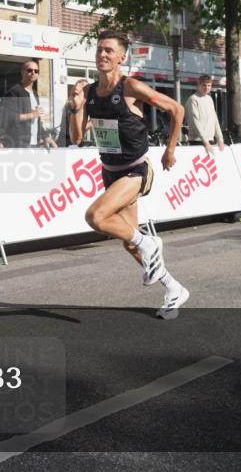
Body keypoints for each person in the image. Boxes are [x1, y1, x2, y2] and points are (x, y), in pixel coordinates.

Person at [68, 31, 189, 319]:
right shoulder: (89, 93)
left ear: (122, 57)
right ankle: (174, 289)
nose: (102, 54)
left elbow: (177, 109)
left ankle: (150, 242)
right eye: (99, 49)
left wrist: (170, 149)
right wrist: (75, 107)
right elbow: (76, 137)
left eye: (109, 50)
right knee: (130, 242)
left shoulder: (130, 86)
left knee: (96, 217)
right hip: (110, 171)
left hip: (136, 170)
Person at [6, 60, 56, 148]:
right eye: (30, 70)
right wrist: (32, 114)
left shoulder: (35, 94)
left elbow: (37, 120)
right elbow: (10, 117)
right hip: (19, 143)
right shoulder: (14, 91)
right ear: (22, 72)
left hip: (35, 143)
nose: (33, 73)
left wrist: (45, 137)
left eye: (36, 71)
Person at [185, 74, 225, 153]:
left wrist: (220, 139)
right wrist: (205, 141)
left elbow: (215, 120)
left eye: (209, 85)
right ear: (199, 85)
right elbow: (195, 122)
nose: (206, 88)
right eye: (204, 85)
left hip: (210, 140)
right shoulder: (193, 99)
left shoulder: (209, 99)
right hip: (197, 141)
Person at [56, 79, 90, 147]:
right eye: (85, 88)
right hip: (67, 142)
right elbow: (73, 126)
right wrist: (92, 123)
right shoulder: (71, 105)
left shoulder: (82, 105)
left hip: (70, 141)